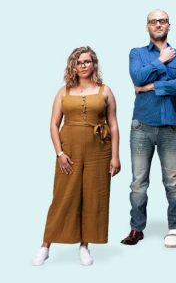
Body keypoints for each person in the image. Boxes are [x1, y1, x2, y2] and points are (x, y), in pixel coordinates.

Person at [32, 46, 120, 266]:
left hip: (99, 151)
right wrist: (59, 152)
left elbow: (114, 125)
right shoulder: (64, 91)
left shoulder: (105, 90)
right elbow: (53, 124)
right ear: (73, 66)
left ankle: (84, 246)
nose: (83, 66)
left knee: (93, 197)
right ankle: (45, 245)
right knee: (63, 196)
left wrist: (115, 157)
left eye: (87, 62)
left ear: (94, 64)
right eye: (79, 62)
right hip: (69, 150)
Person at [120, 9, 176, 247]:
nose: (158, 24)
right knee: (138, 182)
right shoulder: (137, 53)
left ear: (169, 25)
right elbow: (137, 77)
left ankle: (175, 227)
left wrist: (152, 87)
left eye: (162, 21)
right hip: (142, 126)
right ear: (147, 26)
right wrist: (160, 61)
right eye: (154, 21)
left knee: (173, 181)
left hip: (170, 126)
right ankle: (136, 228)